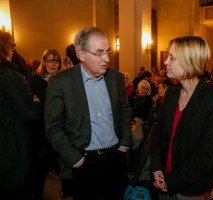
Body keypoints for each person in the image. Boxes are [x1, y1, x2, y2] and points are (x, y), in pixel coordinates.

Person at [44, 27, 132, 200]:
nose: (106, 59)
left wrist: (125, 144)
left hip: (116, 157)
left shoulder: (115, 78)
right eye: (99, 53)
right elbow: (53, 127)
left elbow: (124, 111)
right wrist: (75, 159)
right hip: (83, 162)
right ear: (81, 54)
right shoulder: (60, 83)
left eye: (108, 52)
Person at [150, 36, 213, 200]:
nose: (165, 62)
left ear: (189, 61)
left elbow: (206, 155)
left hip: (191, 189)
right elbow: (158, 135)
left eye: (172, 57)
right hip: (162, 179)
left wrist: (171, 181)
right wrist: (156, 167)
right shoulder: (171, 92)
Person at [0, 30, 41, 200]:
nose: (13, 50)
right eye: (12, 46)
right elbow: (31, 112)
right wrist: (37, 101)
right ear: (7, 47)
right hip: (9, 149)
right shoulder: (10, 76)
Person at [30, 49, 65, 200]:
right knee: (40, 168)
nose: (53, 64)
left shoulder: (63, 80)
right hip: (41, 130)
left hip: (60, 129)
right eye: (49, 60)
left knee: (63, 166)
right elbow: (34, 104)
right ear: (44, 62)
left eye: (55, 61)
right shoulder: (36, 80)